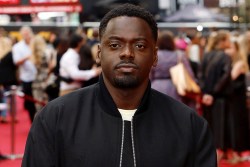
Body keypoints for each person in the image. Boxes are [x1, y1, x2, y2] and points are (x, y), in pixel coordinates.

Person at [22, 4, 217, 167]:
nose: (127, 53)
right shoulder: (55, 119)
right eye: (115, 45)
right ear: (99, 53)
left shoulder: (190, 126)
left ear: (155, 56)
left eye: (139, 45)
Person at [199, 30, 232, 162]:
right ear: (222, 41)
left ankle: (210, 154)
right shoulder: (225, 57)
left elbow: (200, 75)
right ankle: (218, 154)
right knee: (221, 126)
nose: (230, 42)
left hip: (207, 98)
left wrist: (205, 93)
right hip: (220, 98)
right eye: (228, 39)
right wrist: (212, 93)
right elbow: (225, 77)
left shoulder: (206, 55)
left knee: (210, 125)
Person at [12, 26, 37, 123]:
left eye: (28, 33)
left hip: (38, 78)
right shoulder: (17, 47)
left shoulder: (35, 44)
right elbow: (16, 62)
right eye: (25, 33)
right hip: (27, 78)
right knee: (30, 102)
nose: (27, 35)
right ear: (22, 34)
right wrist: (28, 57)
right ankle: (33, 122)